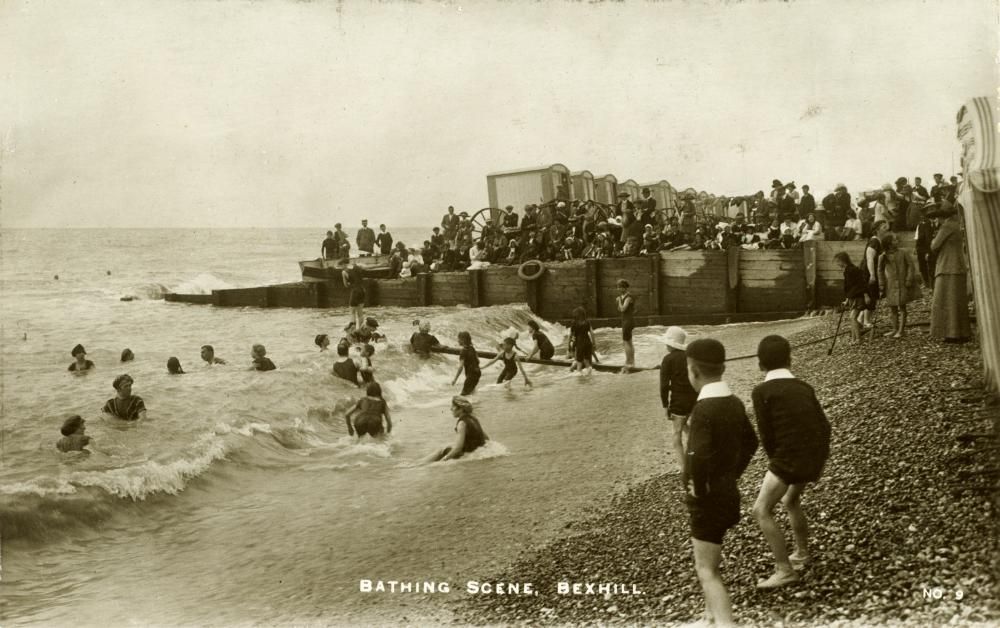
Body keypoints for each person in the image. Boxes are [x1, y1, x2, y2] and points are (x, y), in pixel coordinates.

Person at [682, 338, 758, 625]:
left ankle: (725, 622)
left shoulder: (702, 410)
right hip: (728, 493)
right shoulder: (734, 402)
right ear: (723, 368)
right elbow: (752, 441)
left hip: (708, 501)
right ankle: (709, 615)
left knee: (706, 570)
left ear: (693, 371)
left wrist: (699, 488)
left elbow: (697, 455)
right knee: (710, 561)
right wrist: (731, 473)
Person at [750, 335, 831, 589]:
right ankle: (802, 553)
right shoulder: (804, 387)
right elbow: (824, 425)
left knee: (761, 510)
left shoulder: (761, 392)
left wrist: (776, 464)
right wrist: (819, 457)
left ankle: (784, 570)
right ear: (789, 359)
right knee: (790, 500)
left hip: (789, 457)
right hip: (814, 455)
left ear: (760, 364)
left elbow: (767, 435)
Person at [928, 207, 971, 342]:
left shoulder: (946, 226)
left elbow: (934, 246)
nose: (935, 221)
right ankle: (961, 332)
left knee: (945, 301)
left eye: (936, 218)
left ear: (941, 217)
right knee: (957, 302)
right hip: (957, 266)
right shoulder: (956, 225)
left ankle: (951, 333)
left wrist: (933, 238)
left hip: (947, 267)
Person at [659, 326, 696, 471]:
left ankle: (684, 468)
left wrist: (665, 405)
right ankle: (696, 453)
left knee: (676, 434)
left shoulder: (667, 359)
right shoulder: (690, 357)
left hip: (678, 402)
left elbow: (664, 386)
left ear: (670, 344)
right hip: (693, 399)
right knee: (686, 426)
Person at [421, 396, 489, 463]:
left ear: (461, 409)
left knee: (441, 450)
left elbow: (458, 449)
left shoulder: (462, 423)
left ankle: (420, 465)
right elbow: (486, 438)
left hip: (467, 453)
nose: (451, 409)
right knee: (448, 446)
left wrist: (443, 461)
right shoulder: (473, 418)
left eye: (453, 406)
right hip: (474, 451)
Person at [878, 233, 920, 339]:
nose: (897, 241)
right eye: (894, 240)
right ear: (889, 244)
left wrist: (909, 279)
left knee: (902, 307)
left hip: (902, 283)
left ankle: (901, 330)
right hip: (891, 284)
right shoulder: (883, 256)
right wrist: (881, 284)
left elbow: (911, 266)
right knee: (892, 307)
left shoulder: (903, 252)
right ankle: (894, 329)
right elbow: (880, 270)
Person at [834, 252, 867, 343]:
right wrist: (847, 299)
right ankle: (854, 338)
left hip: (857, 297)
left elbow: (859, 285)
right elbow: (850, 288)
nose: (837, 264)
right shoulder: (849, 270)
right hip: (854, 297)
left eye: (837, 262)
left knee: (853, 317)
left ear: (842, 261)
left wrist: (864, 295)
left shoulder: (851, 270)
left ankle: (858, 339)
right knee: (852, 317)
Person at [451, 331, 482, 396]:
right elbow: (478, 361)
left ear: (463, 340)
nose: (458, 341)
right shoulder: (472, 348)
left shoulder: (463, 351)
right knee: (471, 393)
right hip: (478, 373)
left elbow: (461, 367)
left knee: (463, 395)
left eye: (458, 339)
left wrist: (455, 379)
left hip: (471, 375)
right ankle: (476, 402)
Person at [568, 306, 596, 374]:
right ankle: (590, 376)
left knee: (579, 364)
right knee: (587, 362)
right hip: (588, 343)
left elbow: (570, 335)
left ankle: (579, 378)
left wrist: (569, 345)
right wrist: (594, 343)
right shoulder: (587, 322)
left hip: (580, 344)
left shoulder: (574, 323)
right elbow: (592, 333)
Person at [617, 279, 636, 372]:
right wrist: (619, 301)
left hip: (628, 322)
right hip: (626, 321)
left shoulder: (628, 297)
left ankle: (628, 362)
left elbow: (622, 309)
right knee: (629, 341)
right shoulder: (623, 297)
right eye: (618, 287)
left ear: (625, 288)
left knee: (626, 342)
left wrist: (619, 301)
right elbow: (619, 309)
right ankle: (632, 361)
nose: (618, 289)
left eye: (620, 287)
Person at [342, 263, 366, 331]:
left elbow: (346, 285)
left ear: (343, 265)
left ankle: (353, 329)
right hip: (362, 290)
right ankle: (361, 329)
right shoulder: (357, 267)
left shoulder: (344, 272)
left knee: (352, 311)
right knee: (360, 311)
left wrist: (349, 283)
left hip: (355, 291)